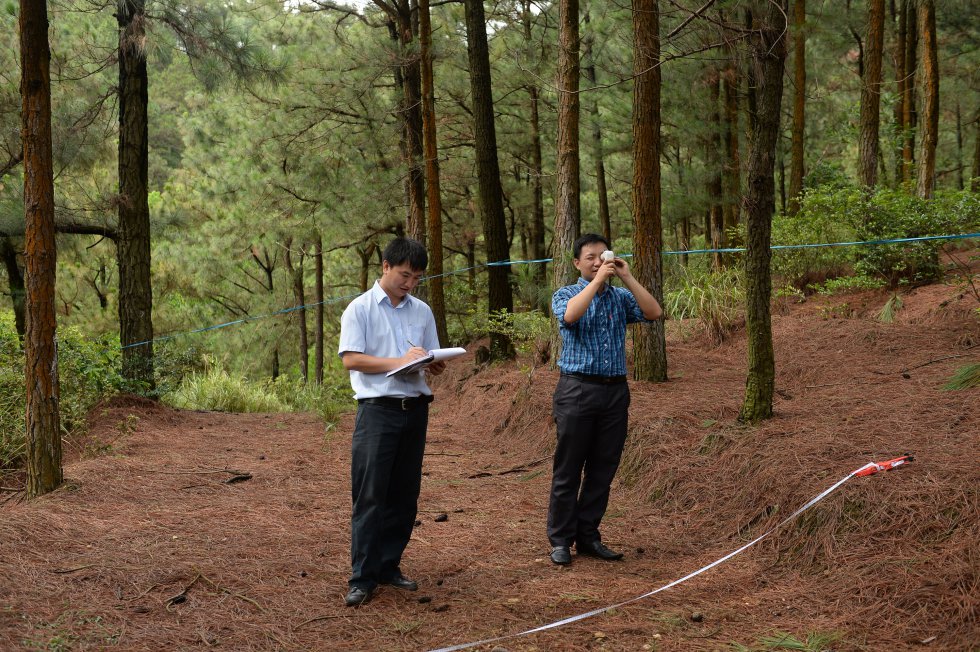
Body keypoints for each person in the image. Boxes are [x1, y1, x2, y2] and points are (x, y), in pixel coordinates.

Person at [337, 237, 447, 606]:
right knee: (370, 495)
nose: (410, 283)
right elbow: (351, 359)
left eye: (416, 277)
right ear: (385, 266)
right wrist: (398, 361)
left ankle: (388, 566)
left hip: (415, 411)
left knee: (404, 495)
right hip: (377, 411)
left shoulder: (422, 311)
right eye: (404, 274)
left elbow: (427, 354)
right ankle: (362, 577)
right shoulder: (360, 309)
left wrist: (432, 361)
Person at [548, 233, 663, 565]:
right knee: (569, 468)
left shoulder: (620, 297)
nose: (599, 262)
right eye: (590, 257)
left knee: (602, 469)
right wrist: (597, 280)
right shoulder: (566, 293)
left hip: (615, 391)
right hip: (577, 390)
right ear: (576, 263)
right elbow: (570, 316)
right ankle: (560, 539)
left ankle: (588, 536)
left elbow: (653, 312)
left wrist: (627, 276)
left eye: (603, 256)